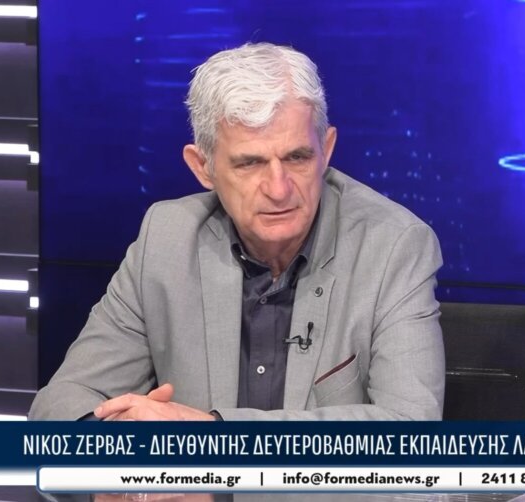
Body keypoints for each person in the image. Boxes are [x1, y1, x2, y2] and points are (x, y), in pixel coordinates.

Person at [29, 42, 445, 421]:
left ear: (327, 150)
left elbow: (411, 430)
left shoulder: (394, 247)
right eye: (250, 163)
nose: (279, 189)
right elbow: (61, 403)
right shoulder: (166, 240)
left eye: (297, 158)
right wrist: (116, 450)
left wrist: (216, 440)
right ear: (203, 167)